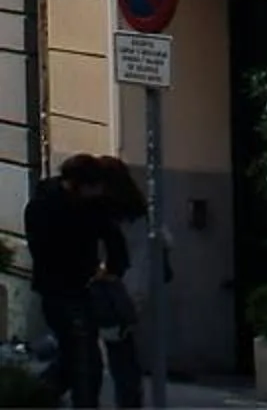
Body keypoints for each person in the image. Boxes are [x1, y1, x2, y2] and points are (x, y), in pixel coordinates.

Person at [24, 154, 123, 409]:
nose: (99, 191)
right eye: (94, 186)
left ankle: (36, 395)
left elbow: (113, 238)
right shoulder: (46, 206)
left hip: (78, 287)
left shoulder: (92, 205)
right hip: (61, 289)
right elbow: (44, 250)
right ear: (80, 183)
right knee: (85, 361)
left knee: (76, 359)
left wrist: (112, 268)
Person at [90, 159, 151, 410]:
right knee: (122, 356)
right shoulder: (137, 213)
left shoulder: (104, 214)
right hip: (127, 291)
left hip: (109, 290)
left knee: (88, 355)